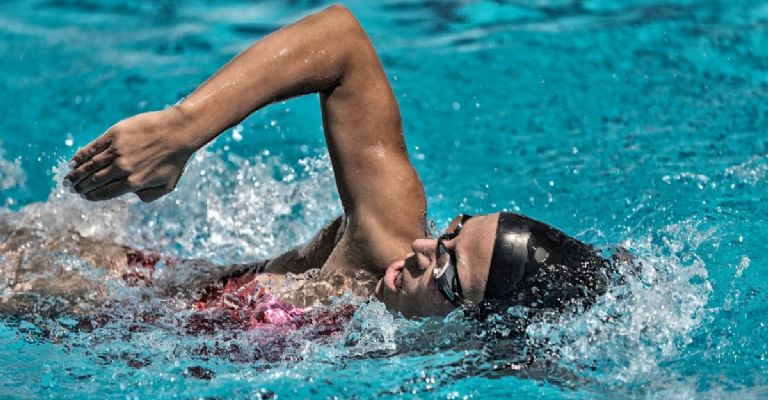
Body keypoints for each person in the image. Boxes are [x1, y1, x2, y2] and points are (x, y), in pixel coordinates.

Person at [61, 5, 609, 320]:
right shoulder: (385, 246)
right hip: (97, 291)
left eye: (448, 274)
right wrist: (179, 130)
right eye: (451, 234)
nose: (423, 252)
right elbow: (341, 41)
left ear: (475, 325)